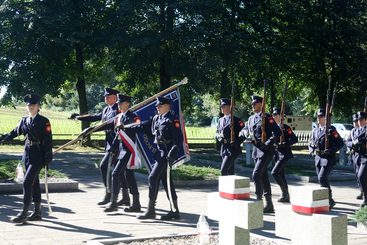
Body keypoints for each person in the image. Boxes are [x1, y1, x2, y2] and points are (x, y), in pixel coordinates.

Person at [72, 88, 130, 206]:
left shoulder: (118, 110)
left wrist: (92, 129)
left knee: (105, 166)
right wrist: (79, 117)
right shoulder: (106, 109)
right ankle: (125, 197)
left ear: (115, 97)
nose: (106, 98)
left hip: (117, 143)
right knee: (119, 170)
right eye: (105, 97)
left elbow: (109, 124)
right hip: (109, 143)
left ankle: (109, 193)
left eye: (108, 96)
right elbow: (95, 116)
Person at [0, 94, 52, 223]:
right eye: (29, 105)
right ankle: (38, 213)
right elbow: (14, 132)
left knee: (27, 182)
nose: (31, 107)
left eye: (33, 105)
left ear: (38, 107)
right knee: (34, 184)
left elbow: (48, 140)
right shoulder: (24, 120)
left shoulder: (43, 121)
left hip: (39, 155)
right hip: (27, 155)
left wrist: (48, 157)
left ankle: (24, 212)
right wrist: (2, 139)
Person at [137, 96, 183, 220]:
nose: (157, 107)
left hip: (166, 154)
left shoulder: (172, 120)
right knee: (167, 182)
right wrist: (131, 126)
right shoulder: (157, 118)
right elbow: (149, 129)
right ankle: (175, 210)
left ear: (167, 106)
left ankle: (151, 210)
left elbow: (179, 140)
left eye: (160, 106)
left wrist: (172, 153)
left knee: (153, 177)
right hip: (159, 152)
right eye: (157, 106)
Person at [240, 95, 281, 213]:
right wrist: (244, 132)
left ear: (261, 104)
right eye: (252, 104)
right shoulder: (251, 118)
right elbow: (246, 129)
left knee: (256, 174)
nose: (253, 105)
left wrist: (268, 143)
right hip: (256, 150)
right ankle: (269, 205)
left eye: (255, 104)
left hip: (266, 151)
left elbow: (277, 132)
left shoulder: (267, 117)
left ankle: (258, 201)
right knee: (263, 176)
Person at [104, 94, 142, 212]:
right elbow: (117, 134)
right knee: (128, 176)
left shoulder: (133, 116)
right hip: (121, 149)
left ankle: (113, 203)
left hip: (129, 150)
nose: (119, 105)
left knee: (115, 173)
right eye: (119, 103)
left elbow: (138, 124)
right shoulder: (119, 116)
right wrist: (113, 148)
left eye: (121, 103)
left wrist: (125, 126)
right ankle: (135, 203)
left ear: (127, 104)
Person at [309, 108, 344, 209]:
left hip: (328, 158)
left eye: (321, 117)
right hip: (318, 158)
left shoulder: (331, 129)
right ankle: (325, 200)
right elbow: (311, 142)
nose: (319, 119)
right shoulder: (315, 130)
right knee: (321, 180)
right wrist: (311, 150)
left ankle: (329, 199)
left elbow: (340, 143)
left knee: (322, 178)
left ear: (326, 118)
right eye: (318, 117)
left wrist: (331, 150)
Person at [271, 107, 298, 203]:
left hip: (284, 154)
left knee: (274, 173)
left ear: (281, 116)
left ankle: (285, 193)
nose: (273, 117)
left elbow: (295, 139)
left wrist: (285, 143)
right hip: (276, 154)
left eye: (275, 115)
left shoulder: (286, 128)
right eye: (273, 115)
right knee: (281, 174)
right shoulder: (272, 128)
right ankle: (285, 195)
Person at [215, 98, 245, 175]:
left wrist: (237, 141)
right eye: (221, 106)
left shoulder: (236, 120)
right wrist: (220, 138)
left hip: (233, 148)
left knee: (223, 170)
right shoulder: (220, 120)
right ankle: (231, 187)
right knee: (230, 171)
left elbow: (245, 133)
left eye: (224, 106)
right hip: (224, 148)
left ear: (230, 107)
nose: (222, 108)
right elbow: (217, 132)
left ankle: (224, 187)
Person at [351, 111, 367, 207]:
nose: (359, 121)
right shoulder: (355, 131)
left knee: (361, 176)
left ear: (365, 120)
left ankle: (365, 197)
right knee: (360, 177)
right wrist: (353, 144)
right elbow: (348, 141)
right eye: (358, 120)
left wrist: (360, 142)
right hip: (357, 156)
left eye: (361, 120)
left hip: (365, 156)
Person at [346, 113, 363, 200]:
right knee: (357, 174)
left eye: (357, 121)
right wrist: (352, 143)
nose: (355, 123)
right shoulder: (353, 131)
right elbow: (347, 142)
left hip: (363, 155)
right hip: (355, 155)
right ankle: (362, 191)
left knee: (362, 174)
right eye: (354, 122)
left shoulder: (364, 130)